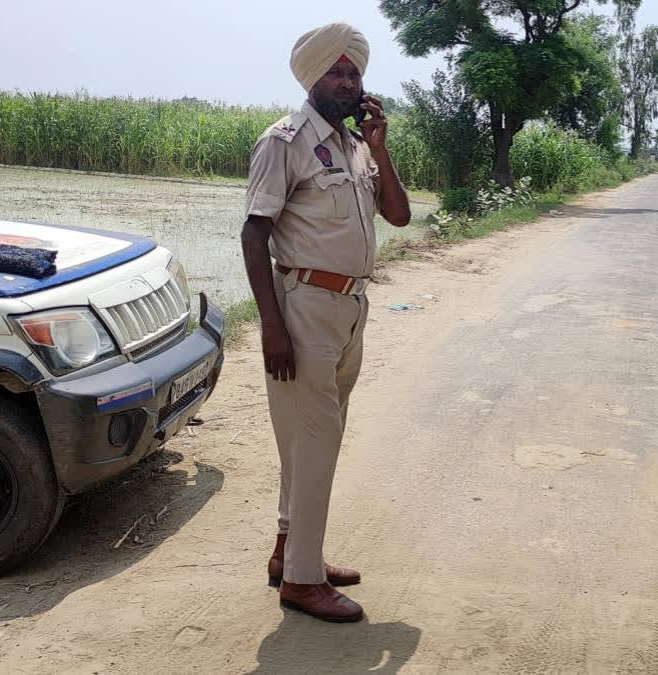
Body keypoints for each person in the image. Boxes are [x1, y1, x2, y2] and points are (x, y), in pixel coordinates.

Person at [239, 21, 411, 623]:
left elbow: (399, 214)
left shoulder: (355, 145)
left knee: (307, 443)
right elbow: (254, 234)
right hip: (304, 306)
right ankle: (303, 584)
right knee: (316, 443)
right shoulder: (283, 142)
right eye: (335, 72)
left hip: (351, 309)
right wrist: (272, 327)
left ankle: (291, 552)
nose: (346, 81)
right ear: (312, 78)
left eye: (354, 72)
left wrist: (380, 144)